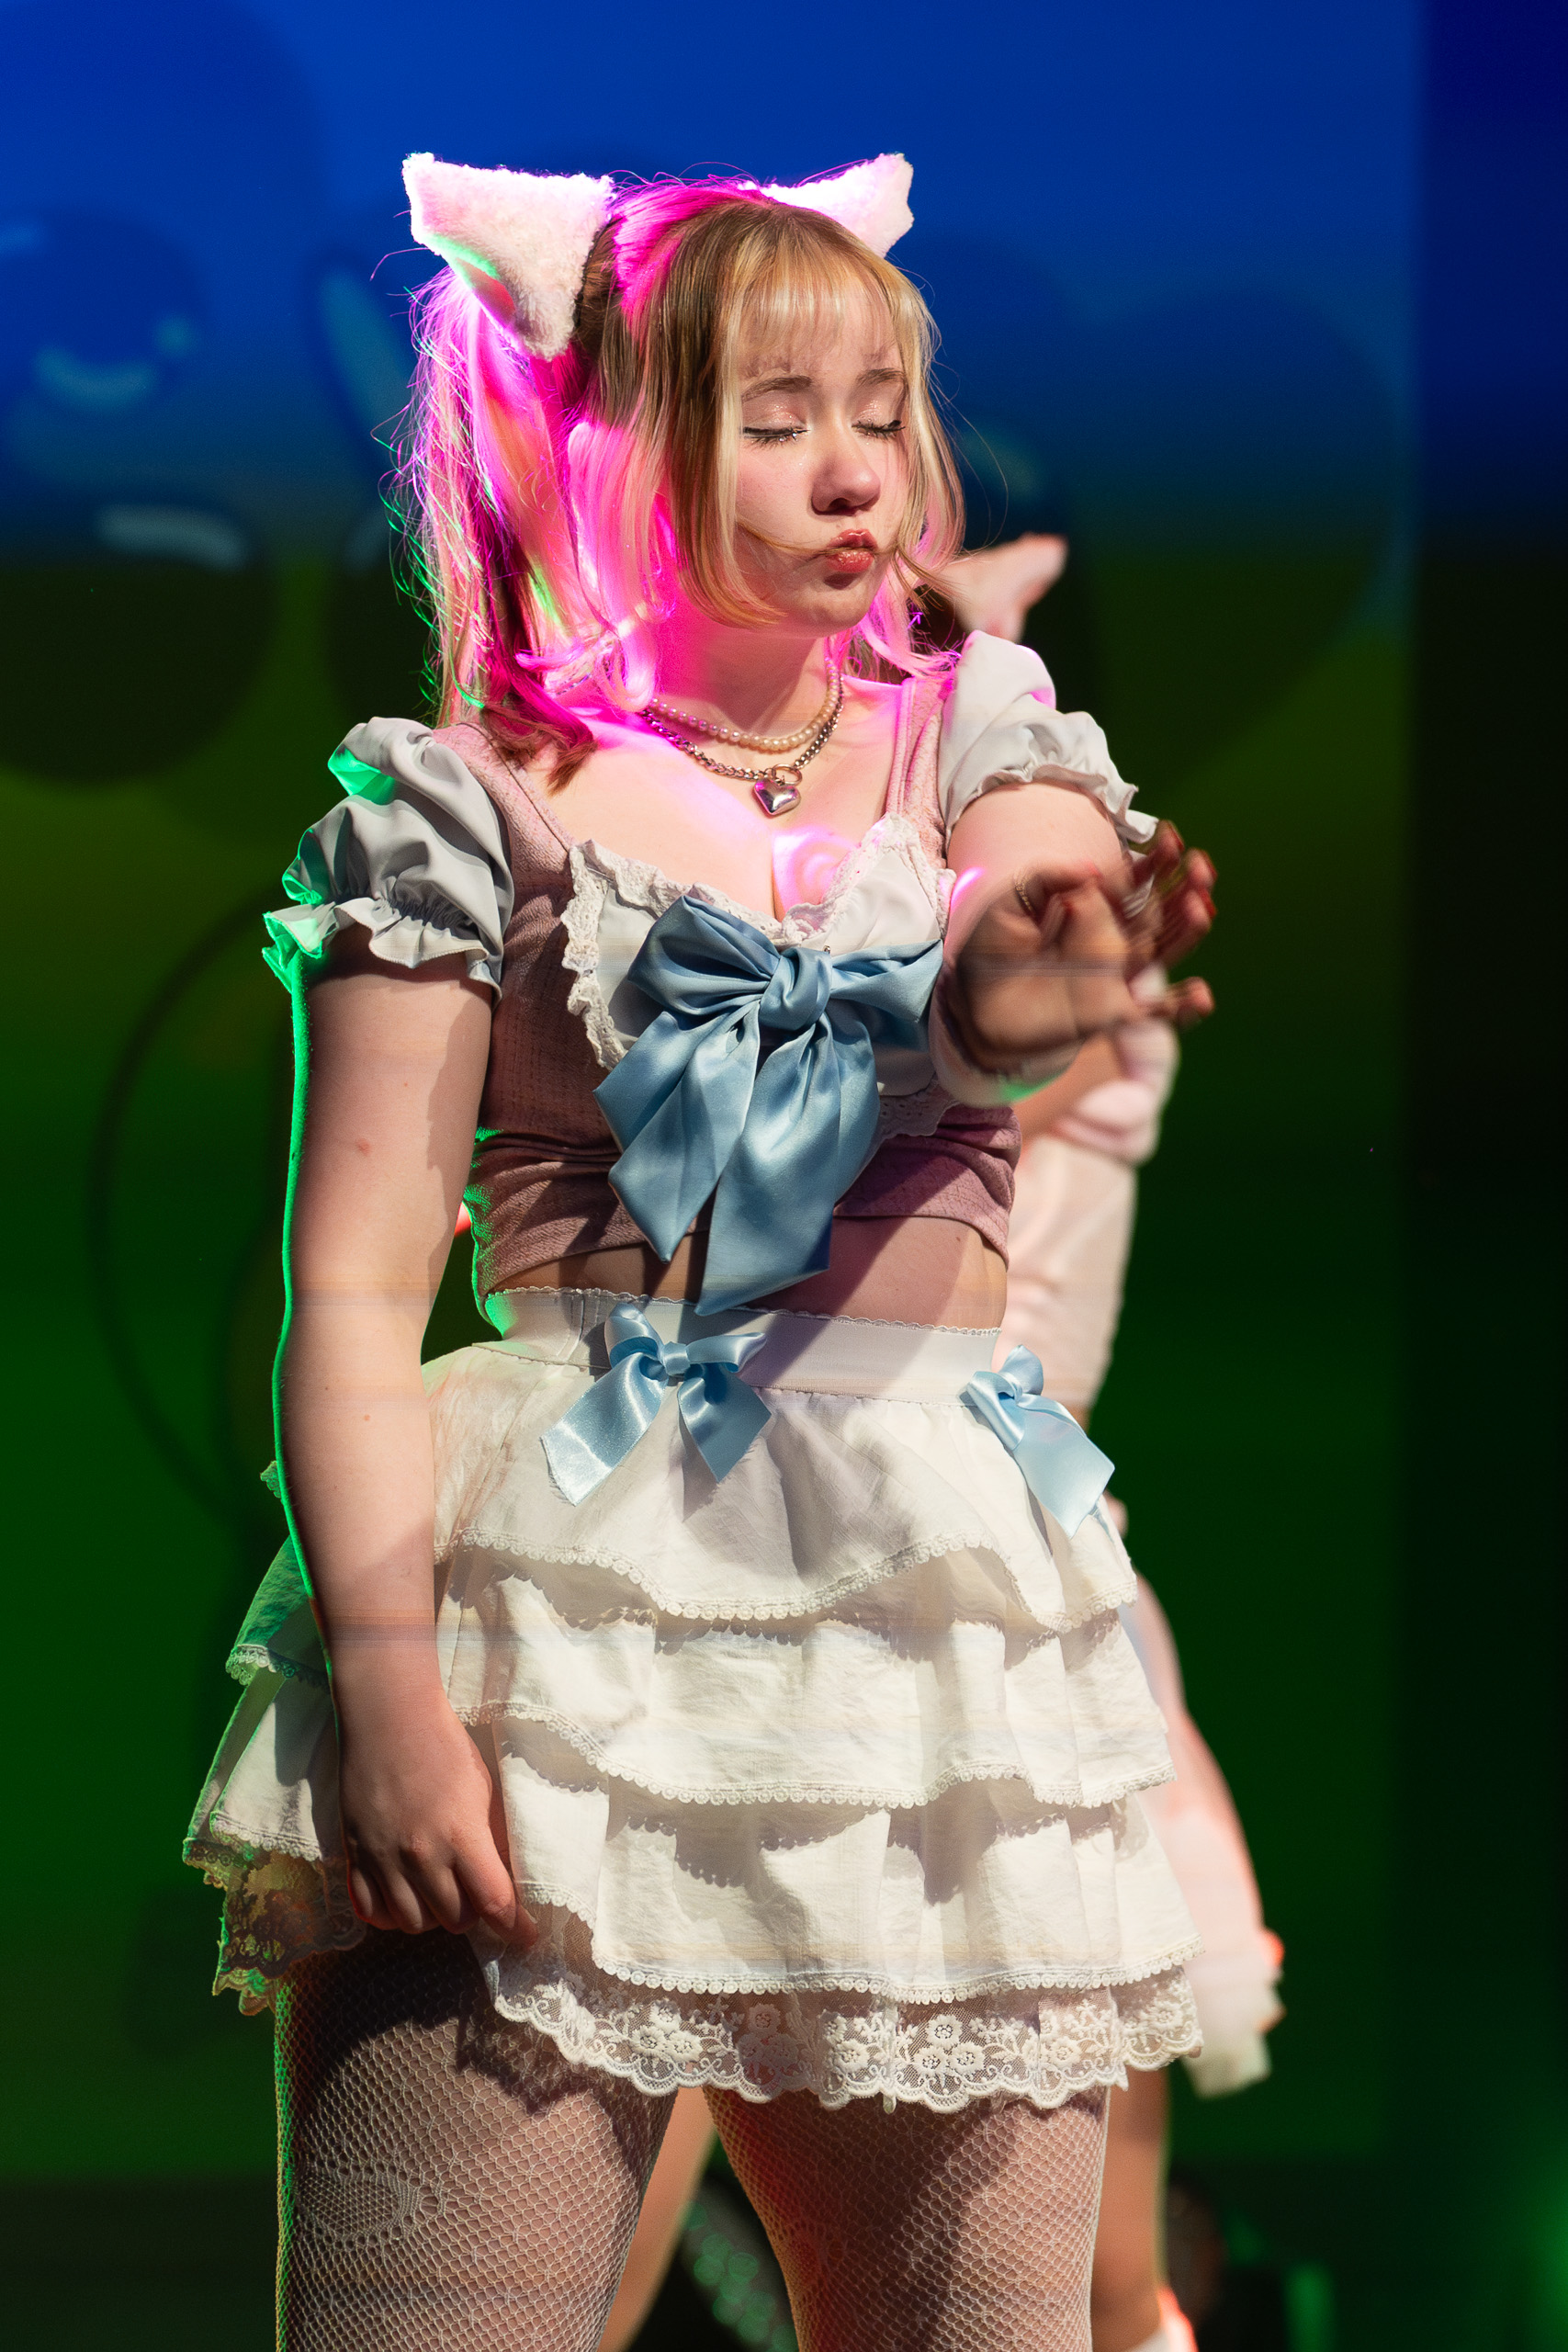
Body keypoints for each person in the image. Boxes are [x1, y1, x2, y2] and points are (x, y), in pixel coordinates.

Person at [185, 153, 1216, 2352]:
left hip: (925, 1622)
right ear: (609, 447)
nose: (853, 468)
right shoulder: (465, 797)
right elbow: (352, 1288)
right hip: (562, 1613)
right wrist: (393, 1703)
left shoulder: (977, 726)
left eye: (879, 409)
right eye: (776, 416)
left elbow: (1010, 955)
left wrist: (1053, 965)